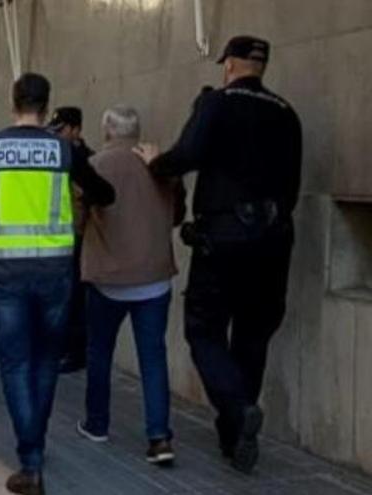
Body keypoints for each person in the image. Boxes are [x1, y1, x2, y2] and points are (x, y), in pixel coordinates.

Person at [135, 36, 302, 474]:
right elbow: (292, 189)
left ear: (229, 64)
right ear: (261, 66)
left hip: (224, 237)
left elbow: (187, 155)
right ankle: (235, 441)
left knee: (204, 331)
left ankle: (238, 409)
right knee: (253, 336)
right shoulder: (287, 113)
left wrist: (155, 161)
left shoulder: (217, 103)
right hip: (276, 238)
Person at [0, 73, 115, 495]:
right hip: (56, 273)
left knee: (16, 364)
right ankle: (33, 449)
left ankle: (31, 459)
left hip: (4, 275)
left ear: (13, 103)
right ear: (46, 106)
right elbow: (104, 192)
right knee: (44, 362)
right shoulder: (64, 149)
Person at [74, 105, 184, 465]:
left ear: (107, 130)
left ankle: (97, 423)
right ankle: (158, 438)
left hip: (108, 278)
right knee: (153, 358)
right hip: (154, 278)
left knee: (99, 352)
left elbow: (76, 220)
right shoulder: (160, 163)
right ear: (137, 131)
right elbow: (179, 214)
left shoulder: (94, 166)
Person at [47, 107, 94, 373]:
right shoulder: (57, 158)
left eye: (62, 130)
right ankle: (66, 348)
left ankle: (76, 352)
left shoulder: (86, 160)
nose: (59, 135)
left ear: (76, 130)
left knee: (76, 299)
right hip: (58, 238)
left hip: (81, 237)